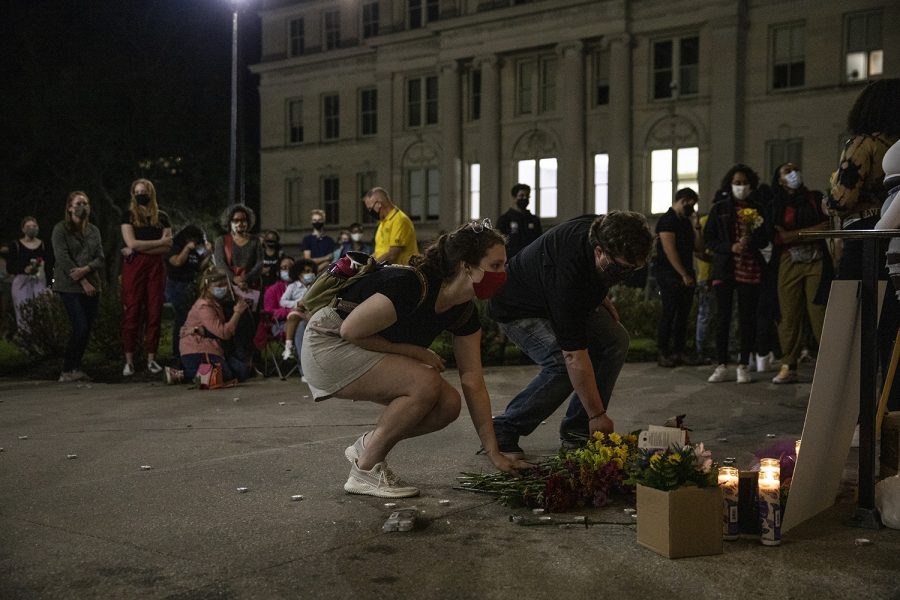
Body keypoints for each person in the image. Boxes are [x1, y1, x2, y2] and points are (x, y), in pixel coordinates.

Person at [300, 219, 529, 497]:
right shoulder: (411, 283)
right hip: (328, 343)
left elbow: (473, 379)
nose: (502, 273)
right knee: (425, 384)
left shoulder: (463, 311)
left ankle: (368, 446)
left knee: (448, 404)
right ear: (466, 266)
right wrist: (415, 352)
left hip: (357, 344)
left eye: (503, 265)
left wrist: (494, 452)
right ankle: (365, 472)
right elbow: (351, 330)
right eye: (495, 265)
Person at [488, 211, 654, 456]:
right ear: (599, 251)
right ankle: (504, 427)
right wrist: (597, 414)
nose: (625, 276)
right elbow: (573, 356)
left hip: (553, 293)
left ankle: (577, 431)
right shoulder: (568, 278)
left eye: (633, 269)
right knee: (561, 365)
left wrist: (600, 294)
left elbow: (598, 272)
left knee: (615, 339)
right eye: (621, 269)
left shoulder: (601, 227)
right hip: (518, 307)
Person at [704, 164, 770, 384]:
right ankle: (721, 364)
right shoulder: (720, 208)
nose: (740, 187)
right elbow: (709, 239)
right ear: (729, 184)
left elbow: (765, 238)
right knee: (722, 318)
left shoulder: (758, 209)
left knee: (747, 318)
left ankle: (744, 364)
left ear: (751, 185)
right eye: (737, 183)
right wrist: (730, 247)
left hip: (749, 269)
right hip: (725, 269)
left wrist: (751, 241)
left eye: (744, 183)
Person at [828, 78, 900, 280]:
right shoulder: (895, 145)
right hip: (894, 224)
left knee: (852, 299)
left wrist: (828, 203)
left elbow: (843, 200)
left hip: (863, 230)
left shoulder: (863, 144)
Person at [769, 163, 830, 384]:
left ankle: (830, 364)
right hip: (788, 261)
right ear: (779, 179)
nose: (793, 173)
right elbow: (779, 238)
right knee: (788, 314)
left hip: (817, 260)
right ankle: (789, 364)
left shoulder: (814, 198)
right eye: (787, 171)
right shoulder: (776, 204)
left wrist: (794, 234)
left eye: (795, 169)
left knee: (819, 311)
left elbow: (828, 226)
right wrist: (811, 232)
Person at [120, 178, 173, 377]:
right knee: (132, 311)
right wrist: (157, 242)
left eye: (145, 190)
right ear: (133, 194)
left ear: (151, 193)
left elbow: (168, 246)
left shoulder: (162, 217)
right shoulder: (128, 216)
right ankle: (129, 360)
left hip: (155, 268)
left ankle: (152, 359)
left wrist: (143, 246)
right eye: (138, 191)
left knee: (154, 311)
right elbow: (132, 243)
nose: (141, 194)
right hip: (135, 267)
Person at [52, 191, 104, 383]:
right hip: (69, 286)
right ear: (70, 207)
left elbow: (100, 257)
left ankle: (76, 367)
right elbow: (63, 257)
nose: (83, 206)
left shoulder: (93, 231)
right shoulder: (61, 229)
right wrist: (82, 280)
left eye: (86, 203)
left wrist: (87, 269)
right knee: (79, 326)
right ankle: (67, 369)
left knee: (87, 328)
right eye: (79, 203)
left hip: (92, 284)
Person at [165, 269, 250, 385]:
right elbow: (224, 333)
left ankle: (191, 371)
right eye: (219, 285)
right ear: (208, 287)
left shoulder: (217, 302)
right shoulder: (204, 307)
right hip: (200, 347)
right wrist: (237, 313)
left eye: (225, 285)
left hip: (215, 348)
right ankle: (182, 374)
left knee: (242, 371)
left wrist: (200, 330)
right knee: (223, 374)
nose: (223, 288)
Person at [653, 188, 702, 367]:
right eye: (691, 203)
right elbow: (669, 250)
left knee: (683, 314)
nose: (693, 207)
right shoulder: (667, 221)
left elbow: (698, 248)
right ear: (683, 200)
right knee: (669, 312)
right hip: (669, 275)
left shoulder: (685, 222)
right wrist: (683, 274)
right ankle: (663, 352)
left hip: (686, 273)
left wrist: (696, 225)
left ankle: (679, 351)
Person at [165, 225, 212, 366]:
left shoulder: (196, 250)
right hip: (176, 284)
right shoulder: (176, 246)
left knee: (191, 319)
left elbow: (199, 267)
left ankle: (191, 349)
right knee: (181, 318)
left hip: (190, 284)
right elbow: (177, 262)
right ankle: (177, 353)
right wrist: (187, 248)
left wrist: (208, 253)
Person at [7, 216, 52, 332]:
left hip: (40, 281)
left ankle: (42, 340)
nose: (32, 228)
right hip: (21, 283)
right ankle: (25, 341)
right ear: (23, 229)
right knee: (24, 312)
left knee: (42, 311)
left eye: (34, 226)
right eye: (28, 226)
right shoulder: (15, 245)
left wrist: (50, 286)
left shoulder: (43, 245)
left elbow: (50, 266)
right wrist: (23, 269)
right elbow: (10, 267)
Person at [363, 187, 419, 265]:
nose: (369, 212)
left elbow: (393, 255)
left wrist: (371, 267)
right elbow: (379, 251)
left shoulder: (400, 220)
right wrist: (364, 263)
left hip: (402, 273)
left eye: (370, 208)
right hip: (389, 271)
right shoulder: (383, 222)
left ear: (378, 204)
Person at [281, 258, 317, 364]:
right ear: (299, 274)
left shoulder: (315, 286)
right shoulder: (293, 286)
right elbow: (283, 301)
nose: (310, 274)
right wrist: (297, 303)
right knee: (293, 316)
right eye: (306, 271)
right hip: (298, 311)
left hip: (312, 312)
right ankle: (288, 347)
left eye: (311, 271)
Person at [496, 183, 543, 258]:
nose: (524, 198)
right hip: (511, 260)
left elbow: (539, 241)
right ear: (514, 198)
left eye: (527, 196)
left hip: (530, 258)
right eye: (521, 196)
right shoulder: (505, 219)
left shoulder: (534, 219)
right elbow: (499, 243)